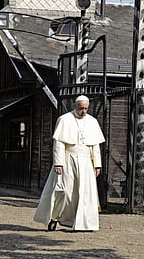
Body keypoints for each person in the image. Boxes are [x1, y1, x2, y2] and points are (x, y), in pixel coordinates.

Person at [34, 95, 105, 232]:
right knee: (65, 191)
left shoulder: (92, 122)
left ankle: (84, 224)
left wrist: (97, 164)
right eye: (80, 108)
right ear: (75, 106)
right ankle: (55, 218)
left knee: (85, 193)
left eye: (85, 108)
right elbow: (59, 144)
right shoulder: (65, 120)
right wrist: (58, 163)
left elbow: (95, 146)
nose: (83, 111)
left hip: (85, 162)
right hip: (68, 160)